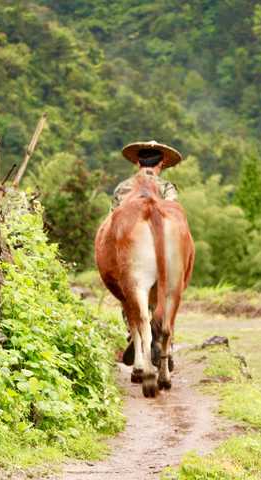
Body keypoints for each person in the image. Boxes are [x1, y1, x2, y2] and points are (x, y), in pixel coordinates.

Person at [113, 140, 182, 371]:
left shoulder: (122, 188)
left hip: (132, 247)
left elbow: (114, 224)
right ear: (162, 163)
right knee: (167, 291)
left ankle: (136, 336)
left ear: (137, 162)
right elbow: (172, 214)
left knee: (129, 292)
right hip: (163, 244)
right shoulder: (167, 188)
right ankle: (164, 344)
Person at [112, 140, 181, 209]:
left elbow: (112, 216)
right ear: (160, 163)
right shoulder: (167, 187)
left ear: (138, 163)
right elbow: (170, 210)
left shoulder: (121, 187)